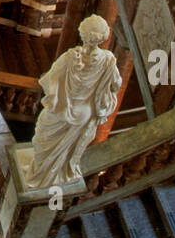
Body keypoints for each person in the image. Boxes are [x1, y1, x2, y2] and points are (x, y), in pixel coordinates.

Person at [26, 14, 122, 188]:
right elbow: (116, 85)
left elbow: (48, 81)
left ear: (82, 33)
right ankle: (61, 174)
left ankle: (41, 175)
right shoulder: (108, 60)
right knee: (69, 151)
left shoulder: (69, 57)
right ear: (103, 36)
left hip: (63, 110)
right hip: (86, 113)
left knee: (43, 140)